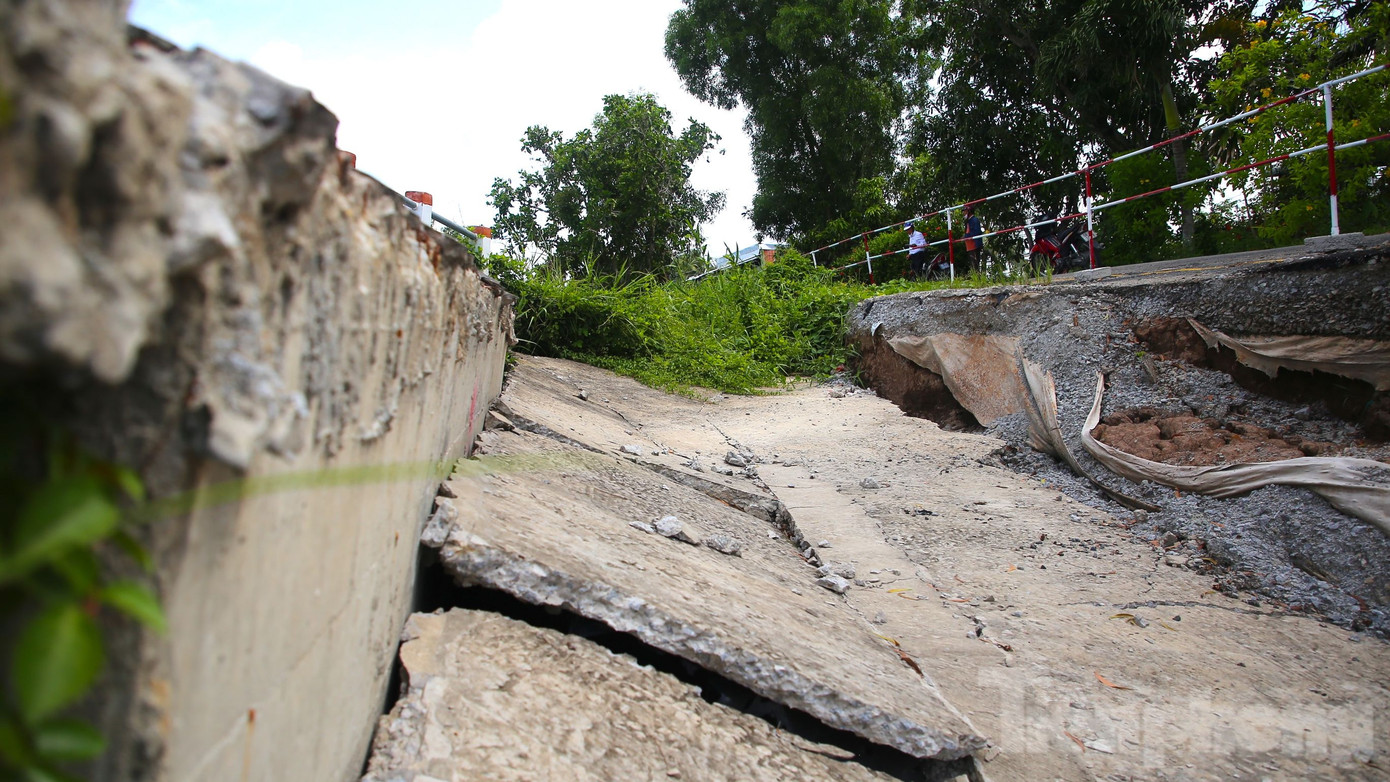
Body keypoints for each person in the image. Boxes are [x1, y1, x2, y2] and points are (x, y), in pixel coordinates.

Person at [961, 205, 984, 273]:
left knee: (975, 264)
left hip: (974, 245)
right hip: (970, 246)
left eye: (965, 211)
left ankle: (977, 280)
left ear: (969, 211)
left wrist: (966, 236)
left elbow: (976, 232)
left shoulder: (974, 220)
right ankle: (976, 279)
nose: (963, 213)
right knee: (972, 265)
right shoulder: (968, 221)